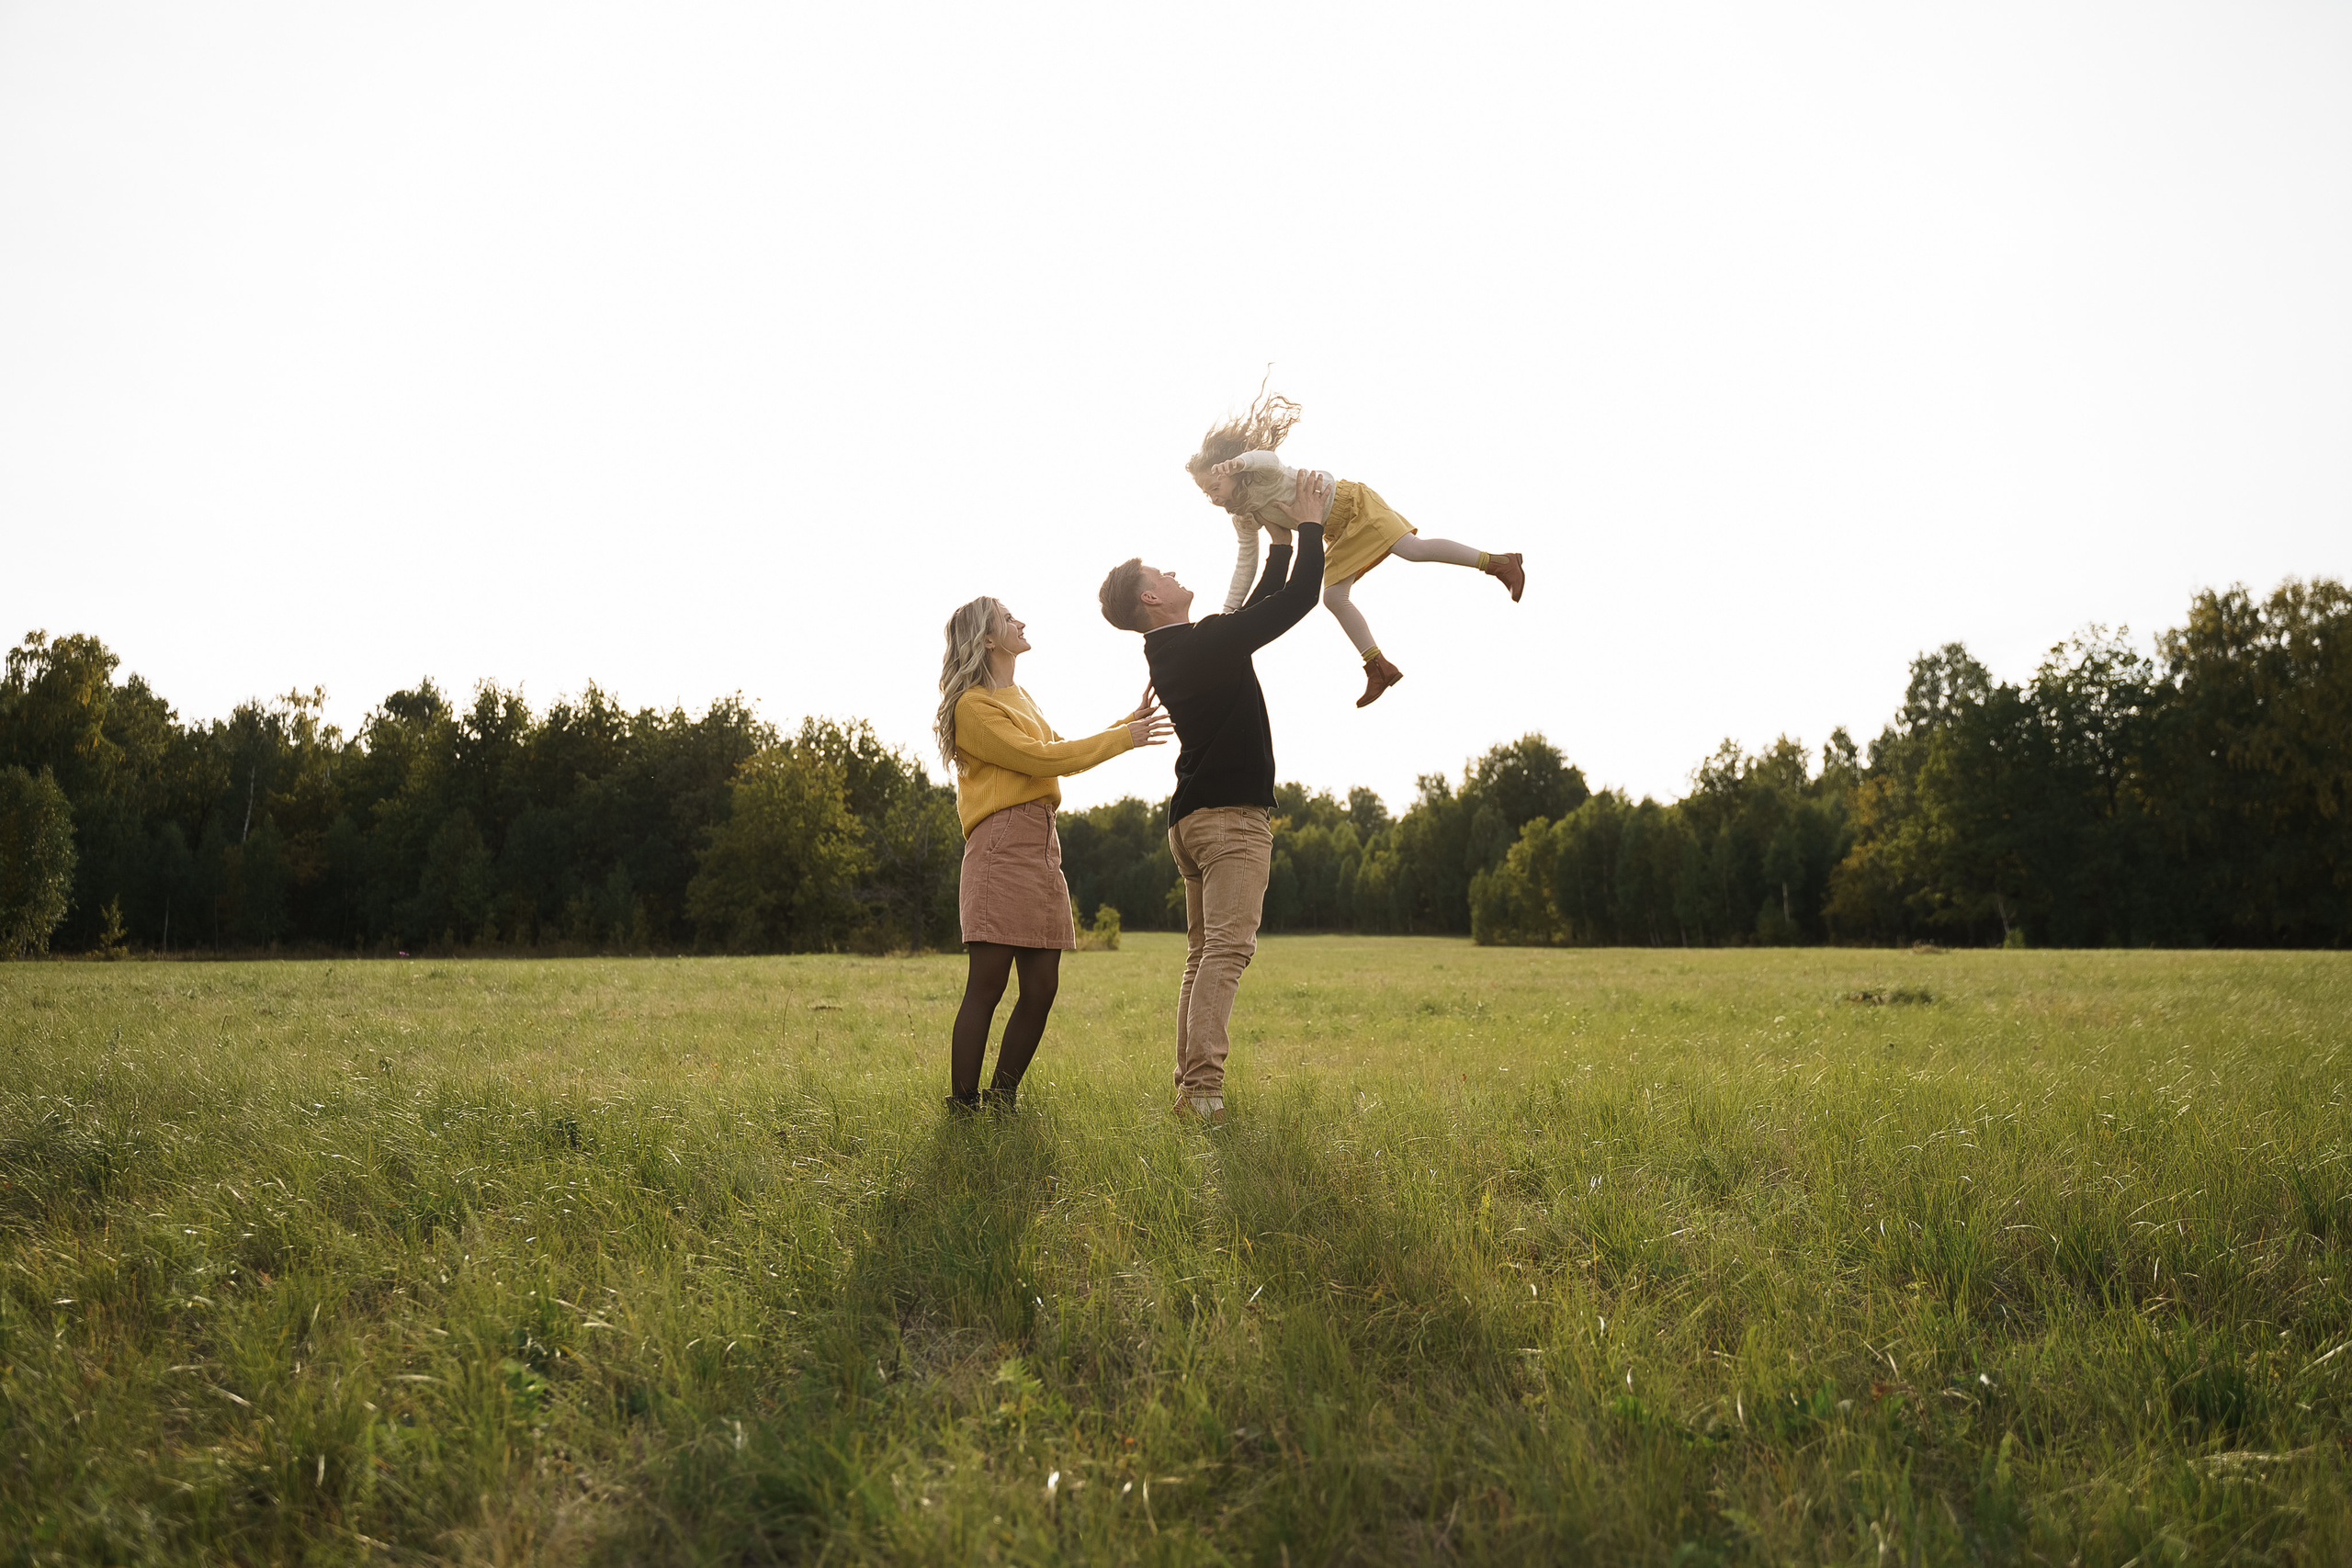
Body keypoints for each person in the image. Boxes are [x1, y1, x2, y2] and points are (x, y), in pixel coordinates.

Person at [1095, 470, 1333, 1124]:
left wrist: (1280, 542)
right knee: (1226, 952)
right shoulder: (1197, 645)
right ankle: (1201, 1094)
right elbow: (1296, 603)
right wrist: (1310, 521)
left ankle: (1191, 1086)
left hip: (1196, 821)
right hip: (1229, 821)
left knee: (1204, 954)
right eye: (1162, 573)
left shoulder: (1179, 649)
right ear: (1151, 595)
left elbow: (1256, 612)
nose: (1173, 573)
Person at [935, 596, 1171, 1116]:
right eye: (1006, 618)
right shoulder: (972, 707)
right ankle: (963, 1107)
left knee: (1042, 987)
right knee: (988, 984)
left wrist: (1124, 724)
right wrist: (1124, 740)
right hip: (1000, 844)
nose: (1020, 621)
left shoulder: (1020, 696)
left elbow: (1057, 748)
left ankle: (1001, 1101)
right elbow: (1037, 759)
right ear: (988, 640)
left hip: (1042, 843)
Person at [1186, 385, 1527, 709]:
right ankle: (1378, 667)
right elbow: (1246, 562)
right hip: (1333, 532)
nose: (1214, 496)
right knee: (1333, 598)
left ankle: (1499, 563)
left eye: (1215, 485)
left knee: (1412, 549)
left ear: (1232, 470)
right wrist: (1229, 613)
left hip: (1355, 505)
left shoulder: (1263, 474)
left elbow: (1270, 461)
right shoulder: (1244, 516)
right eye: (1207, 493)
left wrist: (1242, 462)